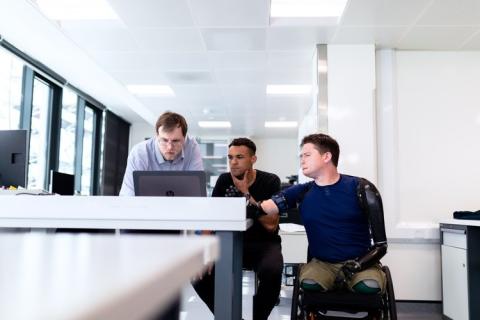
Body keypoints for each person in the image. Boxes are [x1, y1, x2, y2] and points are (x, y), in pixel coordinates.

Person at [258, 133, 387, 295]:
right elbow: (263, 208)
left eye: (307, 155)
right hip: (322, 264)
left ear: (326, 156)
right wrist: (246, 200)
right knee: (310, 284)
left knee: (368, 287)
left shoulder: (362, 188)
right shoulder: (301, 191)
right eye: (301, 156)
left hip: (361, 263)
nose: (302, 160)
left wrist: (358, 265)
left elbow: (381, 246)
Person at [193, 137, 284, 320]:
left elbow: (271, 225)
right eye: (230, 157)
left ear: (253, 159)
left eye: (239, 157)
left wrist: (246, 194)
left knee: (273, 271)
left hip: (263, 244)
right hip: (229, 243)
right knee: (198, 275)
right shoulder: (224, 180)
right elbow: (211, 218)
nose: (233, 162)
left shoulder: (270, 180)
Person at [119, 111, 203, 196]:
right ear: (157, 136)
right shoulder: (140, 153)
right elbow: (128, 195)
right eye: (164, 140)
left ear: (184, 138)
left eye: (175, 141)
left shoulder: (192, 147)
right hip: (147, 206)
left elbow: (196, 193)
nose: (170, 147)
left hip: (182, 206)